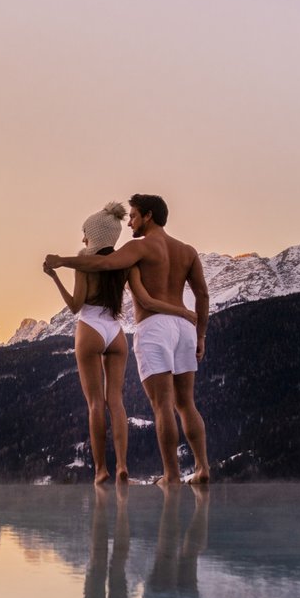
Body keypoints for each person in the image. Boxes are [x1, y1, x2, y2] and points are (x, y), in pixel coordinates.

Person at [45, 193, 211, 486]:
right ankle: (202, 468)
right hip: (184, 327)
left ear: (148, 216)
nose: (130, 222)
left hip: (152, 327)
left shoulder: (139, 248)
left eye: (133, 216)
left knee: (161, 405)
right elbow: (203, 295)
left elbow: (102, 265)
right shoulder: (187, 251)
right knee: (186, 403)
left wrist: (61, 262)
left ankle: (169, 475)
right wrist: (200, 334)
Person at [44, 202, 136, 484]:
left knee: (95, 403)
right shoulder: (123, 263)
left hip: (90, 327)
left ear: (95, 235)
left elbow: (75, 306)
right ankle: (122, 465)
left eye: (86, 233)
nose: (83, 239)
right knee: (116, 401)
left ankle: (101, 469)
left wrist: (55, 277)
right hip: (115, 331)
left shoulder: (84, 265)